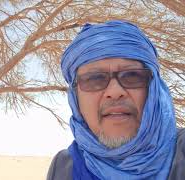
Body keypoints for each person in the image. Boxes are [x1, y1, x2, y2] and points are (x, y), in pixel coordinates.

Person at [47, 20, 185, 180]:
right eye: (94, 79)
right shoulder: (64, 167)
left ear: (154, 89)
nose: (114, 92)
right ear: (75, 98)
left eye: (132, 75)